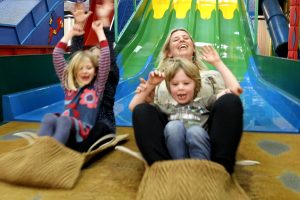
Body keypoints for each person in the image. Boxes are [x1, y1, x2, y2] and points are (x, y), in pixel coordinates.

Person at [131, 28, 243, 174]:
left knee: (230, 102)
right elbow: (141, 109)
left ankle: (219, 169)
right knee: (145, 112)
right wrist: (148, 90)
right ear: (168, 52)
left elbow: (234, 93)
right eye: (176, 39)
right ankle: (162, 168)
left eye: (186, 37)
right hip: (171, 130)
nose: (182, 40)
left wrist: (218, 62)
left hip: (203, 131)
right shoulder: (158, 78)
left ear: (194, 49)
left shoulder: (210, 75)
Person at [38, 20, 110, 146]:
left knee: (64, 120)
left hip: (84, 132)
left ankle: (52, 152)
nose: (84, 71)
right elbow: (56, 55)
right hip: (66, 128)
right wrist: (70, 32)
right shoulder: (69, 86)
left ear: (95, 71)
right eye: (80, 68)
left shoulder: (97, 87)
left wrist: (99, 32)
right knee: (49, 118)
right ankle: (39, 149)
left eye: (88, 68)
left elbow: (105, 57)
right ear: (74, 72)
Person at [68, 0, 119, 152]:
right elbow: (76, 59)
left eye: (99, 57)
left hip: (103, 127)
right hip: (82, 126)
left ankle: (77, 148)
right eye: (92, 58)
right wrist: (79, 26)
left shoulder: (108, 78)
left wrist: (104, 24)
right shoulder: (81, 81)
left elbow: (108, 57)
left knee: (97, 127)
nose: (97, 60)